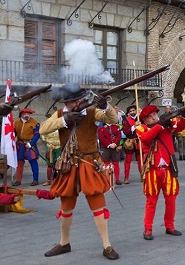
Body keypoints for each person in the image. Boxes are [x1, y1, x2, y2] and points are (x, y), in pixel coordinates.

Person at [40, 82, 119, 260]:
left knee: (98, 203)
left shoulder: (91, 112)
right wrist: (64, 121)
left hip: (89, 163)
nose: (75, 104)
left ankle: (107, 245)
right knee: (66, 206)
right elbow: (44, 128)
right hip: (69, 165)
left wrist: (105, 105)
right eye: (72, 102)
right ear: (66, 103)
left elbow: (112, 120)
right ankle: (64, 243)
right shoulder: (61, 114)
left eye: (77, 100)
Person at [136, 105, 185, 241]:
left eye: (155, 114)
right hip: (152, 171)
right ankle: (148, 229)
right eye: (150, 116)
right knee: (151, 201)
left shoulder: (167, 125)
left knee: (171, 199)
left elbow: (180, 127)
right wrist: (159, 125)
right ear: (145, 120)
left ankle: (170, 226)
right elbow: (146, 138)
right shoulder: (141, 129)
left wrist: (184, 116)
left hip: (168, 169)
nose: (154, 117)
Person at [13, 108, 40, 186]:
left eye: (28, 114)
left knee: (33, 161)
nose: (26, 115)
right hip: (20, 144)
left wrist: (31, 144)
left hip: (30, 144)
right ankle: (18, 180)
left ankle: (35, 180)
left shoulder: (34, 123)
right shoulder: (16, 123)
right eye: (25, 114)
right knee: (19, 162)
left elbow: (37, 134)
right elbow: (13, 134)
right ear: (21, 114)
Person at [121, 105, 139, 184]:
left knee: (140, 160)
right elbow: (126, 131)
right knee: (128, 160)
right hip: (130, 141)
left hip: (139, 141)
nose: (132, 112)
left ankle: (143, 175)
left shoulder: (140, 119)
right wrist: (134, 126)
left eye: (133, 110)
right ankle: (126, 177)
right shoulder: (126, 121)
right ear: (128, 113)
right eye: (130, 111)